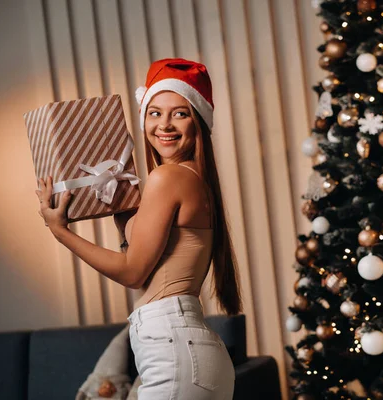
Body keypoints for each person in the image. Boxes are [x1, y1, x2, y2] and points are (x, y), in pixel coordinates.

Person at [35, 58, 242, 400]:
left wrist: (60, 231)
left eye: (180, 113)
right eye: (154, 112)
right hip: (186, 350)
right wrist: (123, 214)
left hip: (175, 349)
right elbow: (150, 262)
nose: (165, 125)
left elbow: (133, 272)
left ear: (199, 121)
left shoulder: (168, 177)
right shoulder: (191, 179)